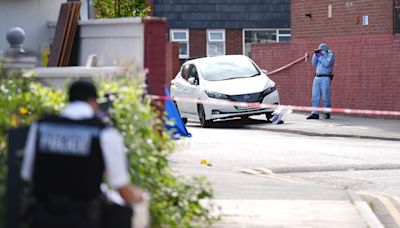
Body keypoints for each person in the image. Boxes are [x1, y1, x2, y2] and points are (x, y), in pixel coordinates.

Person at [21, 80, 144, 228]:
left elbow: (28, 174)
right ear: (93, 102)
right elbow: (122, 188)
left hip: (42, 218)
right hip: (85, 219)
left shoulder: (41, 126)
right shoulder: (104, 133)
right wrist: (140, 197)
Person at [307, 43, 336, 120]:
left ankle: (327, 113)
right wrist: (315, 55)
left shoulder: (330, 55)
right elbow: (313, 64)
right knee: (315, 96)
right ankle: (315, 113)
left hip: (325, 78)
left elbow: (327, 64)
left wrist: (320, 56)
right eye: (320, 50)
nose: (321, 51)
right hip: (317, 77)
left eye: (321, 50)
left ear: (325, 50)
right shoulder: (319, 55)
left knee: (325, 96)